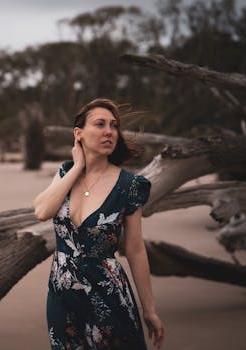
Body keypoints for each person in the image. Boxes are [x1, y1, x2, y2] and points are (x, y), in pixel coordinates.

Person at [33, 98, 164, 349]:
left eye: (114, 126)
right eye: (100, 124)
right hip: (62, 297)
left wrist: (150, 310)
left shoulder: (130, 186)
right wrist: (78, 166)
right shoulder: (64, 173)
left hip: (107, 295)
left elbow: (136, 250)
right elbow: (42, 211)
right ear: (78, 134)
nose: (109, 132)